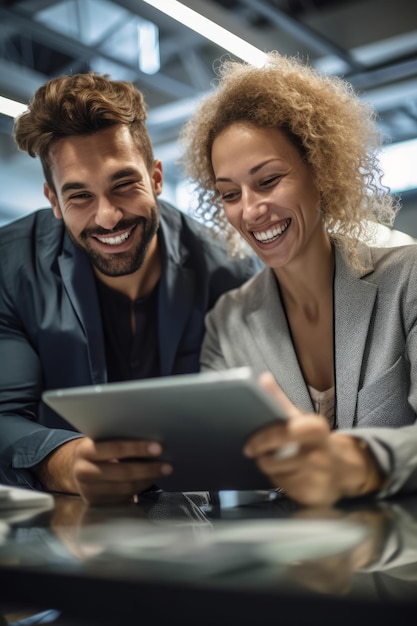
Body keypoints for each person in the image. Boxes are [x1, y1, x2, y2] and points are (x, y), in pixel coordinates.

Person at [0, 72, 259, 505]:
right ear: (53, 202)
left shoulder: (228, 270)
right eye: (79, 196)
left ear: (155, 178)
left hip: (202, 523)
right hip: (65, 531)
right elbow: (3, 415)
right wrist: (64, 460)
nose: (107, 217)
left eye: (124, 185)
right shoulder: (10, 268)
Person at [179, 51, 417, 507]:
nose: (249, 210)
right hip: (294, 567)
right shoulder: (228, 323)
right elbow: (220, 471)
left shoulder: (408, 281)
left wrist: (356, 461)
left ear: (320, 171)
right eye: (229, 194)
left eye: (268, 181)